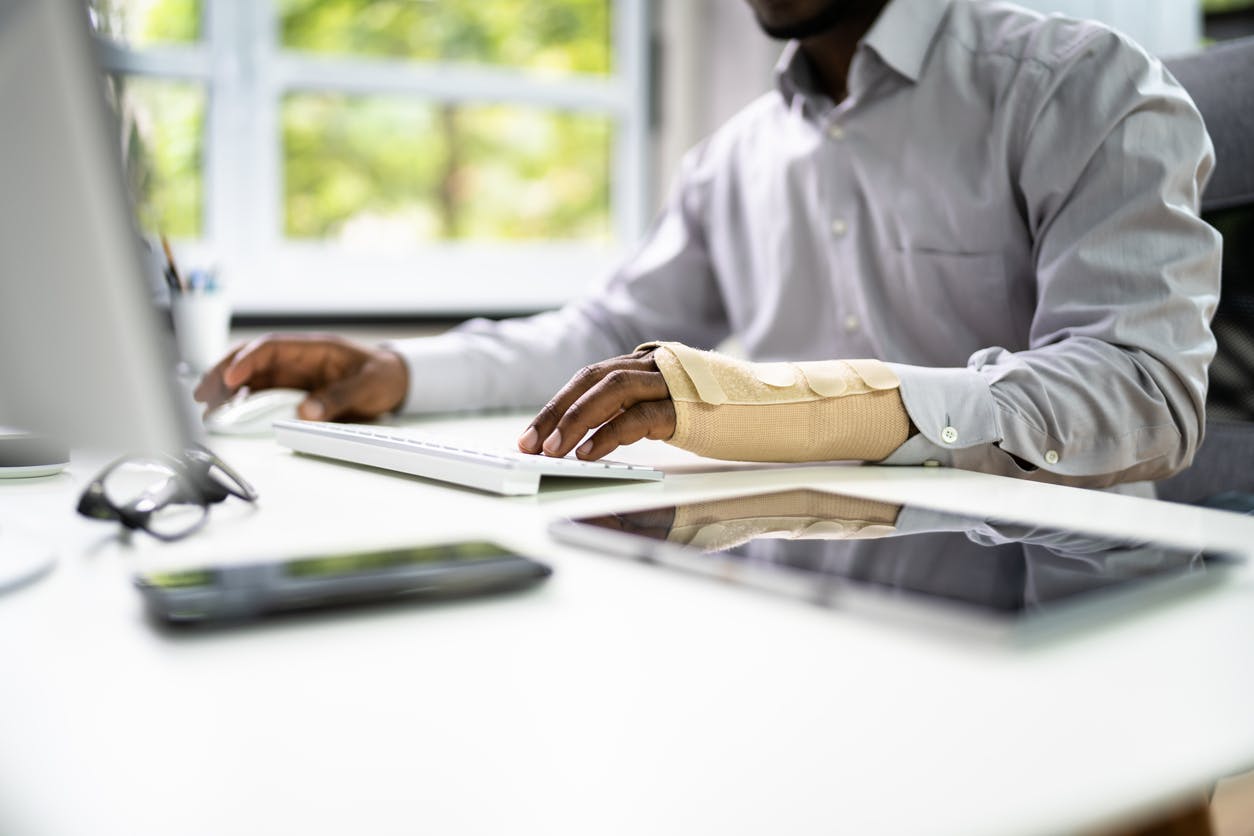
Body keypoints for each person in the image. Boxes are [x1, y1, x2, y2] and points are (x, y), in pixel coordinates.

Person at [195, 0, 1221, 490]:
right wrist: (398, 367)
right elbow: (606, 334)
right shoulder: (734, 156)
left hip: (1048, 579)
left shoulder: (1081, 89)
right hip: (794, 556)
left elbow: (1145, 389)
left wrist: (786, 408)